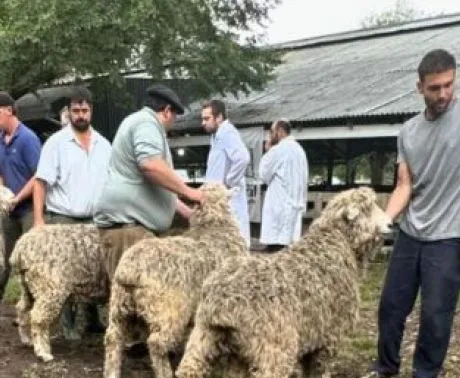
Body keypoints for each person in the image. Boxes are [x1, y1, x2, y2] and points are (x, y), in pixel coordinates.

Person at [351, 48, 460, 378]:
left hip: (449, 234)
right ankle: (386, 368)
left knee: (436, 310)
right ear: (420, 87)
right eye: (435, 88)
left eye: (449, 85)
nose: (444, 94)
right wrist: (385, 220)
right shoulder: (408, 131)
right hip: (412, 232)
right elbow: (405, 184)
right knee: (390, 304)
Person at [93, 84, 204, 280]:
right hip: (128, 230)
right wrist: (191, 192)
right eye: (175, 115)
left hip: (133, 227)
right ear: (167, 110)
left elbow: (155, 183)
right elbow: (151, 166)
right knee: (136, 300)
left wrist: (186, 212)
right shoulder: (147, 123)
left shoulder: (139, 123)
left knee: (144, 298)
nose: (174, 121)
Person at [32, 86, 112, 334]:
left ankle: (92, 320)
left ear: (91, 111)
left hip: (95, 219)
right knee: (63, 274)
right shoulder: (56, 143)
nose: (80, 115)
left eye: (84, 110)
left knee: (93, 270)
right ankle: (68, 327)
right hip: (63, 218)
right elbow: (40, 181)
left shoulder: (104, 144)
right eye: (76, 110)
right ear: (68, 112)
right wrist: (39, 220)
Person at [0, 90, 43, 314]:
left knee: (29, 259)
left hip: (27, 208)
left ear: (9, 111)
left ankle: (33, 307)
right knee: (2, 258)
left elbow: (38, 176)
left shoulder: (28, 139)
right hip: (8, 209)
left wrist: (17, 198)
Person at [201, 99, 251, 246]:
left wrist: (229, 182)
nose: (203, 123)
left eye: (206, 118)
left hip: (228, 199)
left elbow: (243, 158)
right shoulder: (216, 136)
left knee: (234, 241)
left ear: (219, 117)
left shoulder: (227, 132)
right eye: (202, 119)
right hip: (218, 200)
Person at [258, 119, 309, 251]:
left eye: (272, 132)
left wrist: (268, 150)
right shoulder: (300, 150)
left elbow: (263, 174)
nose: (270, 136)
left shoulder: (279, 149)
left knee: (276, 247)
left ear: (280, 132)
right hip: (294, 206)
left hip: (279, 207)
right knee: (289, 248)